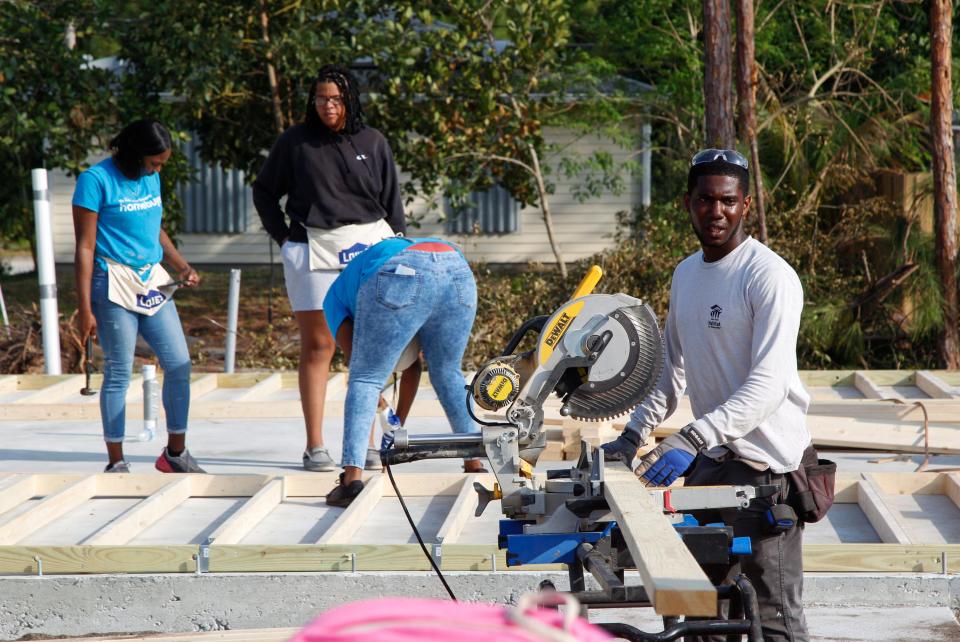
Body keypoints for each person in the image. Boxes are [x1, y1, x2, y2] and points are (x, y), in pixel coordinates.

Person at [601, 149, 812, 641]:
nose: (716, 212)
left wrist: (692, 437)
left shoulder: (768, 276)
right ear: (687, 204)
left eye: (727, 201)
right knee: (702, 610)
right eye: (705, 201)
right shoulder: (687, 274)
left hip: (766, 467)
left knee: (772, 614)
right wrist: (634, 434)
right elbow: (669, 370)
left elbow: (769, 384)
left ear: (747, 205)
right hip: (714, 460)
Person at [253, 64, 406, 473]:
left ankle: (367, 443)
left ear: (350, 99)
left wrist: (400, 247)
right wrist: (285, 240)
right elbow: (264, 191)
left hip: (370, 248)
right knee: (319, 346)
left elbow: (392, 201)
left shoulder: (372, 141)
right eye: (321, 98)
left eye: (335, 98)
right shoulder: (296, 143)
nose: (328, 106)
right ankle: (315, 445)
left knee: (366, 350)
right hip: (313, 247)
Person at [72, 119, 205, 474]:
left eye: (161, 163)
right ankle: (116, 460)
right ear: (134, 154)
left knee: (179, 363)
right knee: (118, 371)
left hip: (151, 280)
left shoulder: (150, 177)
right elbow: (84, 247)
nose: (158, 169)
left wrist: (180, 264)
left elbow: (154, 225)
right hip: (112, 280)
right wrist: (85, 307)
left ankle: (175, 454)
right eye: (155, 162)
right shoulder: (94, 181)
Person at [322, 237, 487, 507]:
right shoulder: (362, 279)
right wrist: (396, 430)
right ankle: (474, 462)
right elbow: (414, 367)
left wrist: (391, 429)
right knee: (448, 372)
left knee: (365, 378)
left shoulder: (333, 302)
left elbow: (363, 372)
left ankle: (351, 480)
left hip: (401, 272)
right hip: (457, 270)